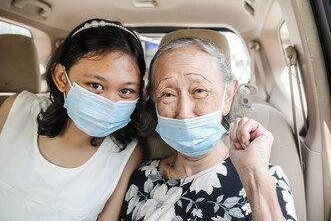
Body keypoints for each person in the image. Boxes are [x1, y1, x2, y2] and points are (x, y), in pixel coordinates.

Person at [120, 37, 297, 220]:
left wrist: (254, 175)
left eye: (199, 91)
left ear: (228, 96)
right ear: (154, 101)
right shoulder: (142, 179)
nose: (184, 112)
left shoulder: (267, 177)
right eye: (168, 94)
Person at [0, 19, 146, 220]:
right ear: (61, 78)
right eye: (96, 85)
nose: (110, 102)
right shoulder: (15, 109)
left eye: (125, 91)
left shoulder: (128, 154)